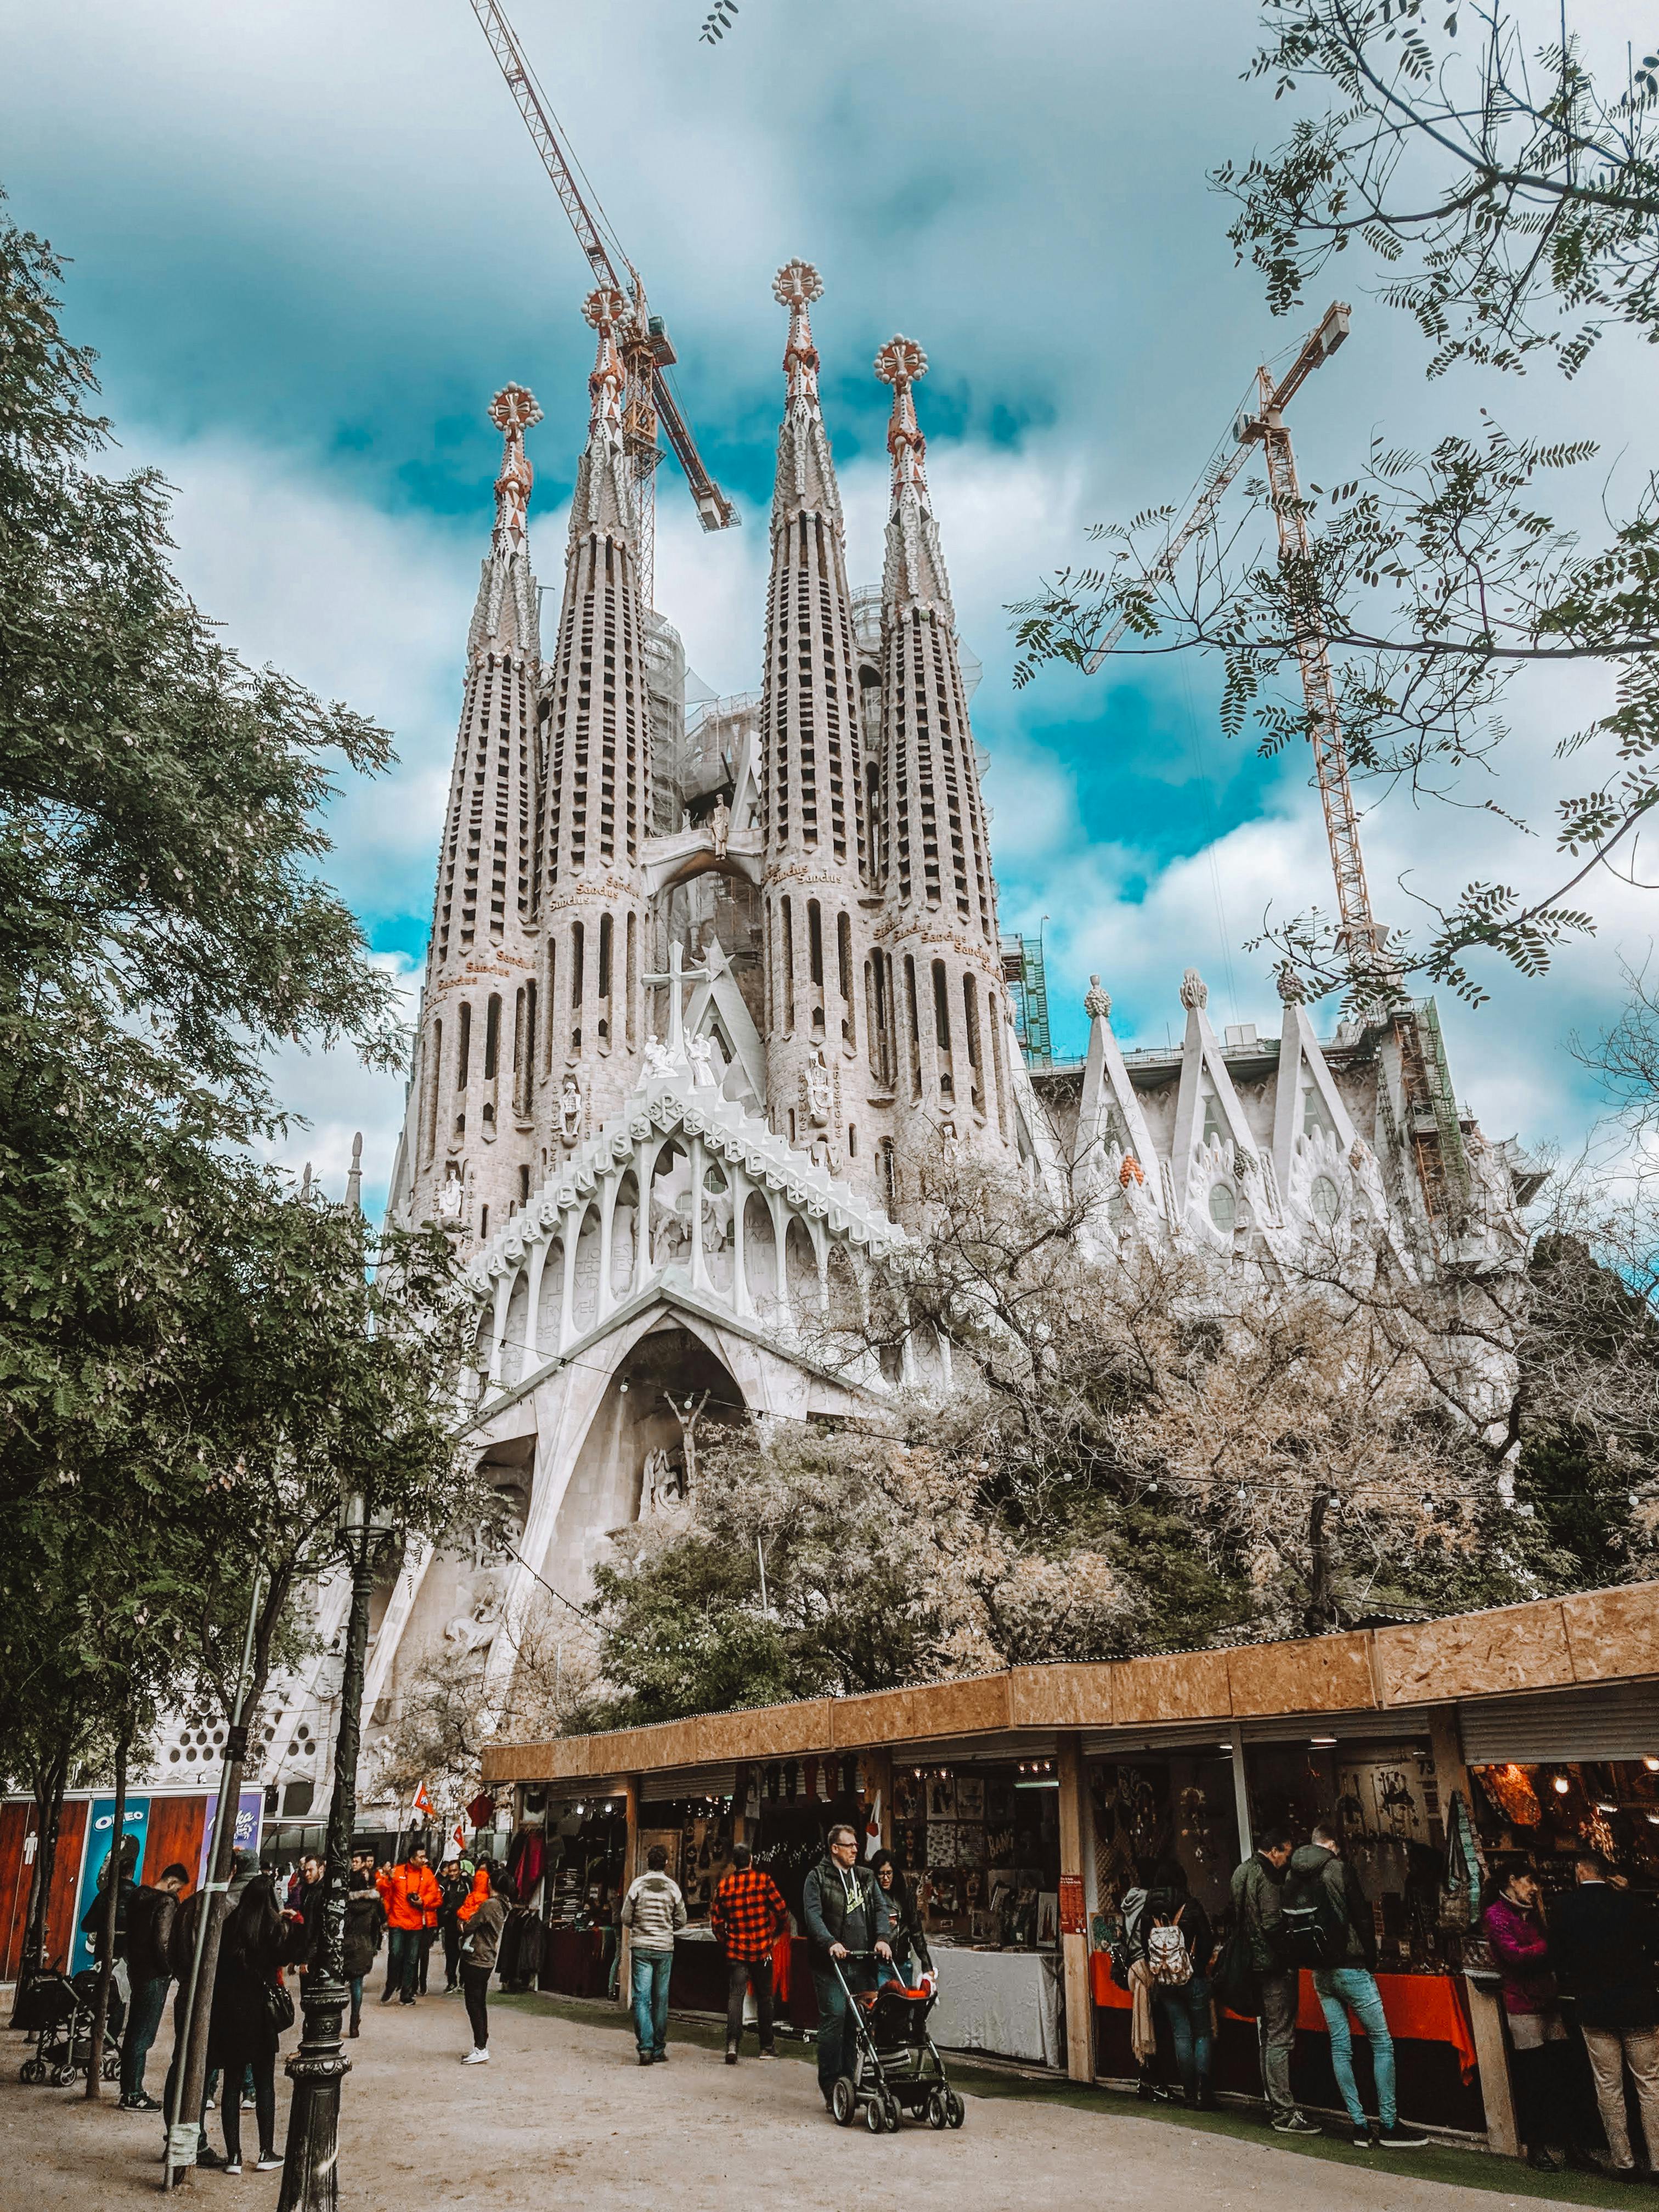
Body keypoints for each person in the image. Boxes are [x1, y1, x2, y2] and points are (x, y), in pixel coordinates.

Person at [1286, 1821, 1428, 2149]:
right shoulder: (1339, 1869)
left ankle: (1360, 2125)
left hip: (1320, 1972)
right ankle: (1390, 2124)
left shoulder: (1294, 1873)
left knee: (1341, 2046)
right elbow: (1361, 1917)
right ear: (1333, 1844)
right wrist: (1371, 1958)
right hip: (1351, 1966)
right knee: (1382, 2043)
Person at [1550, 1848, 1659, 2176]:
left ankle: (1623, 2162)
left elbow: (1557, 1957)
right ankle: (1658, 2163)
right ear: (1606, 1872)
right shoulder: (1631, 1904)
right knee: (1650, 2085)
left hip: (1594, 2007)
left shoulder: (1565, 1907)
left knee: (1608, 2087)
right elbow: (1655, 1946)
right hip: (1638, 2005)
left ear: (1580, 1871)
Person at [201, 1871, 307, 2176]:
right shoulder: (272, 1929)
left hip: (231, 2014)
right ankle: (265, 2150)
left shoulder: (230, 1926)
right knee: (264, 2085)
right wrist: (294, 1922)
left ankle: (233, 2156)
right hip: (261, 2015)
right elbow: (290, 1956)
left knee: (232, 2085)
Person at [1481, 1858, 1575, 2172]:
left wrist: (1541, 1948)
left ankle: (1568, 2144)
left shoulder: (1534, 1913)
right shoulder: (1496, 1915)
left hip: (1548, 2000)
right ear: (1511, 1880)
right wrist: (1547, 1949)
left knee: (1561, 2075)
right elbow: (1514, 1957)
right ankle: (1537, 2147)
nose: (1534, 1888)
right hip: (1522, 2005)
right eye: (1528, 1881)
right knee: (1534, 2078)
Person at [1231, 1826, 1316, 2134]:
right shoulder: (1267, 1876)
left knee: (1268, 2035)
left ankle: (1274, 2103)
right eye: (1287, 1854)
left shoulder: (1241, 1872)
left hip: (1252, 1964)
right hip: (1272, 1966)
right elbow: (1271, 1922)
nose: (1288, 1862)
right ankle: (1284, 2111)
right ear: (1275, 1850)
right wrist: (1290, 1954)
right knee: (1279, 2035)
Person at [801, 1823, 891, 2113]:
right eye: (850, 1845)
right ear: (835, 1849)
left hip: (862, 1961)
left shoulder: (865, 1877)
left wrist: (882, 1938)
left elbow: (880, 1908)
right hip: (831, 1965)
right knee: (836, 2018)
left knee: (858, 2024)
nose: (856, 1849)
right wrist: (829, 1942)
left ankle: (851, 2081)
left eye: (856, 1845)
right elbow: (812, 1915)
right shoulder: (816, 1878)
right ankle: (831, 2086)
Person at [1139, 1858, 1216, 2109]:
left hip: (1165, 1981)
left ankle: (1190, 2092)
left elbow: (1145, 1945)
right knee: (1202, 2033)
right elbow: (1207, 1940)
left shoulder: (1148, 1910)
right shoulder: (1191, 1906)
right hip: (1193, 1979)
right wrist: (1198, 1967)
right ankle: (1205, 2093)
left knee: (1181, 2034)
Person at [117, 1861, 188, 2111]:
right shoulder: (166, 1903)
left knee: (135, 2031)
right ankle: (133, 2093)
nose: (177, 1894)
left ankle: (128, 2089)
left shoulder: (138, 1896)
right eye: (178, 1889)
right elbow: (163, 1941)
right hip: (154, 1975)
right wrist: (171, 1969)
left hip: (136, 1970)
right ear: (171, 1883)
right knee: (144, 2035)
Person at [710, 1842, 789, 2063]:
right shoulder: (764, 1881)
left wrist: (727, 1941)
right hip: (762, 1950)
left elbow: (716, 1922)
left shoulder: (725, 1886)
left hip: (736, 1950)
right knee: (765, 1998)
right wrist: (775, 1934)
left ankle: (732, 2045)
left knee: (736, 1996)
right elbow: (782, 1910)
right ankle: (766, 2047)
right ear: (752, 1859)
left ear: (734, 1863)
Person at [620, 1844, 687, 2066]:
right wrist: (666, 1927)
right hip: (665, 1949)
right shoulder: (673, 1888)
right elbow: (682, 1920)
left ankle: (646, 2048)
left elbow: (626, 1917)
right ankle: (658, 2048)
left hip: (641, 1947)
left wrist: (641, 1927)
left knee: (641, 1998)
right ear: (666, 1864)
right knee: (661, 1999)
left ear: (648, 1862)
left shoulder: (637, 1886)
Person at [455, 1863, 512, 2064]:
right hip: (487, 1958)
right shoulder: (504, 1904)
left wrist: (462, 1925)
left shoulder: (490, 1905)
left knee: (474, 2003)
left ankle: (480, 2046)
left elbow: (471, 1925)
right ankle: (481, 2044)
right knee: (479, 2003)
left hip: (478, 1957)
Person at [375, 1845, 442, 2006]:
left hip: (417, 1924)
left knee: (412, 1960)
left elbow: (437, 1897)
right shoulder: (397, 1872)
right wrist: (388, 1879)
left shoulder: (427, 1874)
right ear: (412, 1858)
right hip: (397, 1921)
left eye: (425, 1856)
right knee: (396, 1954)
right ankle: (391, 1986)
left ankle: (406, 1993)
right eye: (421, 1857)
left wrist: (423, 1902)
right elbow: (382, 1890)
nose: (424, 1860)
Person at [869, 1849, 933, 1989]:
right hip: (880, 1964)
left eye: (889, 1873)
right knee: (884, 2005)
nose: (885, 1878)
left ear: (894, 1873)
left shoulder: (905, 1896)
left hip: (904, 1962)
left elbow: (916, 1932)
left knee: (905, 2006)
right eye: (881, 1874)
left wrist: (926, 1963)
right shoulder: (871, 1898)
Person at [342, 1868, 387, 2040]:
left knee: (337, 1985)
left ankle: (335, 2020)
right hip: (364, 1946)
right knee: (357, 1985)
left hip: (344, 1946)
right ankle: (354, 2022)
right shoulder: (374, 1904)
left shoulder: (345, 1903)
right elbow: (382, 1921)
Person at [437, 1858, 470, 1993]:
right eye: (450, 1871)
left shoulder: (467, 1884)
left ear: (460, 1871)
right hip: (450, 1926)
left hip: (465, 1925)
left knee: (466, 1954)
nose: (452, 1874)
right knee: (451, 1955)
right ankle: (452, 1982)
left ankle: (464, 1982)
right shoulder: (444, 1886)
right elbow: (439, 1905)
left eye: (455, 1870)